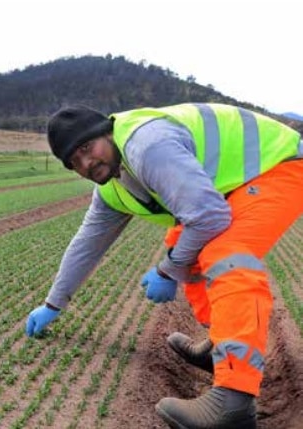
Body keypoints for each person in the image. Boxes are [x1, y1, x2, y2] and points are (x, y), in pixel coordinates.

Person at [25, 102, 303, 429]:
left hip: (277, 165)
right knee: (182, 243)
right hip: (233, 185)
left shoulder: (147, 146)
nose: (87, 162)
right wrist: (53, 303)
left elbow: (208, 217)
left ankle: (234, 400)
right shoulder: (112, 188)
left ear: (107, 132)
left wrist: (166, 271)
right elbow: (87, 244)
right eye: (74, 161)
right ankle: (222, 346)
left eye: (87, 147)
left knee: (227, 253)